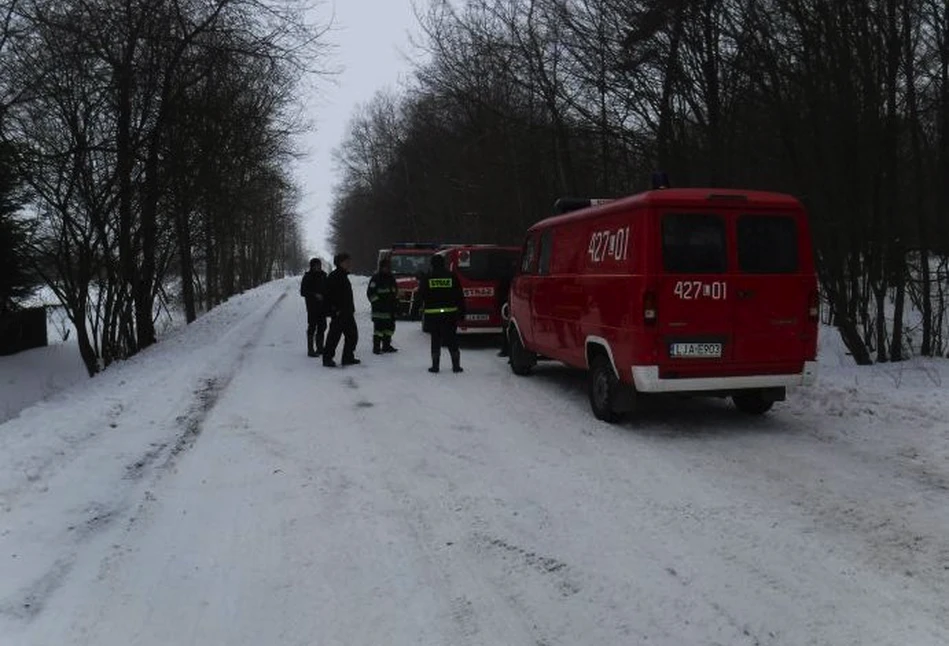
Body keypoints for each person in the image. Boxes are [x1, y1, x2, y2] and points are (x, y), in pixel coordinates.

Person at [418, 254, 465, 373]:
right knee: (452, 339)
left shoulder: (428, 277)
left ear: (432, 264)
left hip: (433, 315)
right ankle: (456, 366)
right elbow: (460, 295)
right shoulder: (452, 276)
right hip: (450, 314)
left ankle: (435, 366)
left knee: (435, 339)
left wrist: (418, 310)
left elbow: (421, 295)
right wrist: (462, 311)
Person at [322, 253, 360, 367]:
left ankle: (348, 357)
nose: (349, 263)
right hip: (339, 313)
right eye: (346, 261)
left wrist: (350, 309)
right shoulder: (334, 276)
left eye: (349, 261)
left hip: (347, 312)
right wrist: (334, 310)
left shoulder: (343, 276)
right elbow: (328, 296)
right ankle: (327, 359)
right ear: (340, 263)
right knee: (334, 336)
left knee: (352, 335)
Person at [367, 257, 398, 354]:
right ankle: (376, 347)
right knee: (378, 330)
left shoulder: (391, 278)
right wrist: (377, 304)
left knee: (390, 328)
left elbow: (394, 292)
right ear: (381, 268)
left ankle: (386, 345)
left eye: (388, 267)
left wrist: (396, 304)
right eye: (385, 267)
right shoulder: (376, 278)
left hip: (390, 309)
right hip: (379, 310)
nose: (386, 269)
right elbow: (371, 293)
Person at [300, 258, 328, 357]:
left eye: (319, 265)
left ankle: (320, 348)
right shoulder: (307, 277)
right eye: (315, 265)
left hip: (323, 306)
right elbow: (303, 292)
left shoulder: (324, 275)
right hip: (312, 306)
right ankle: (310, 350)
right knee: (312, 326)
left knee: (323, 326)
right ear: (312, 266)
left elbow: (327, 289)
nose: (318, 267)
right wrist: (315, 295)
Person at [497, 272, 513, 358]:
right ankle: (508, 351)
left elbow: (500, 293)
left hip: (506, 304)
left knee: (506, 328)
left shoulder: (504, 278)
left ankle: (505, 350)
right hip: (511, 303)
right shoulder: (515, 277)